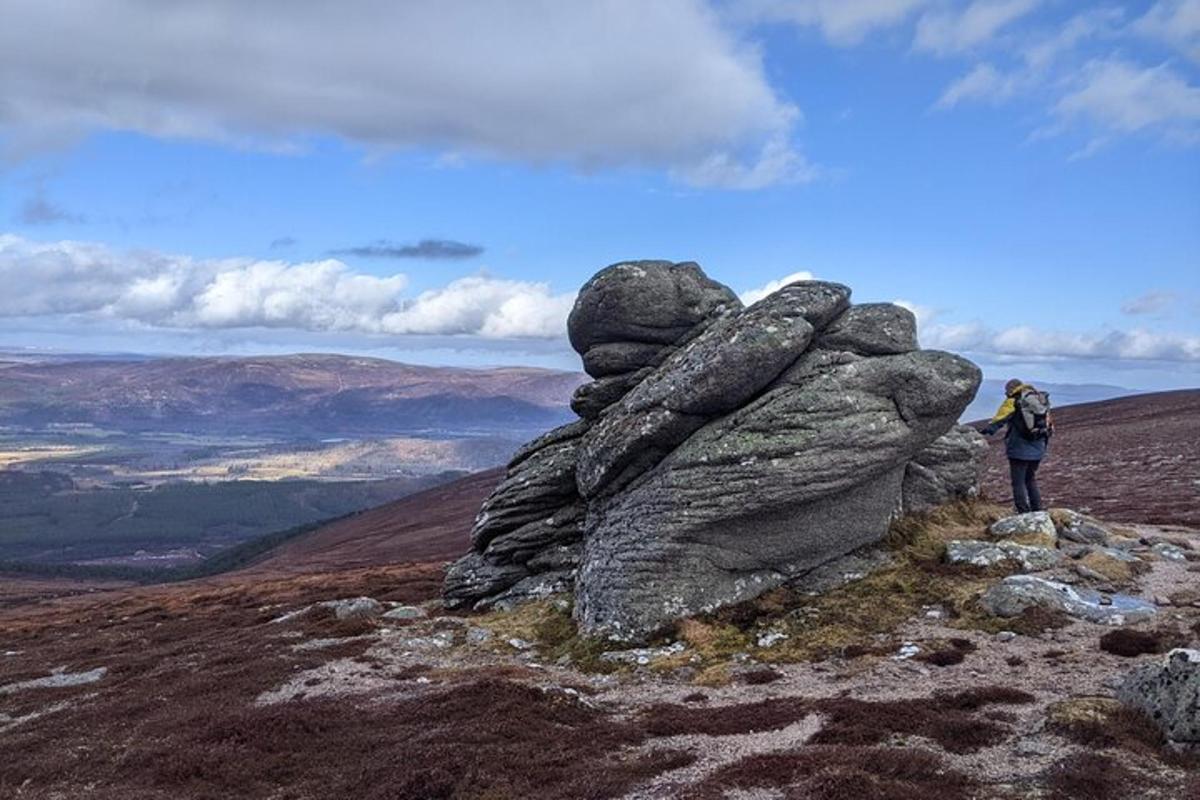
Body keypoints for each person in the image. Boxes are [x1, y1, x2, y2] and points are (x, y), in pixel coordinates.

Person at [981, 378, 1051, 513]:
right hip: (1038, 447)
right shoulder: (1039, 399)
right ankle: (1037, 509)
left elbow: (1000, 419)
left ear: (1010, 390)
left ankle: (1023, 511)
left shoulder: (1014, 400)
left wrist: (987, 430)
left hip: (1019, 448)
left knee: (1018, 482)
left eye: (1006, 391)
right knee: (1030, 479)